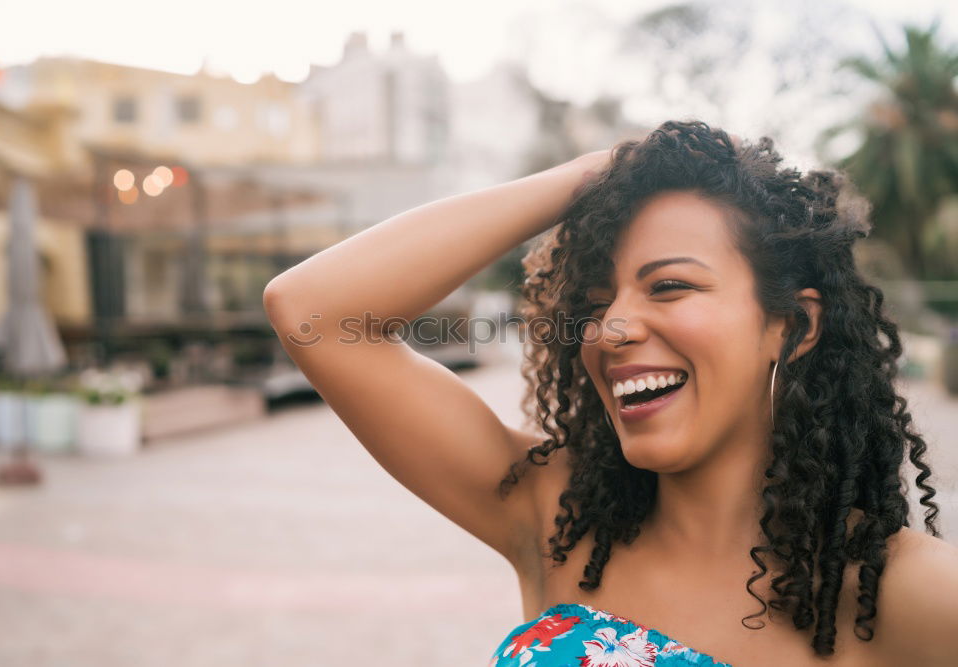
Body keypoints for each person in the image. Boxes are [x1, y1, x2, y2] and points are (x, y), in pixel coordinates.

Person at [263, 119, 958, 666]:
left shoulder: (897, 594)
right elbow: (314, 315)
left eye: (669, 286)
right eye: (598, 301)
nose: (612, 328)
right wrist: (595, 172)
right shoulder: (555, 515)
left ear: (794, 325)